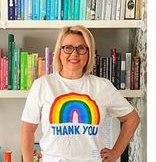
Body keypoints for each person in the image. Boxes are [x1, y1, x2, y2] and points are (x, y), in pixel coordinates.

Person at [21, 25, 140, 162]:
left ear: (89, 53)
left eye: (81, 48)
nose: (74, 54)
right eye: (68, 48)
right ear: (59, 52)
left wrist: (115, 153)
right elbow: (27, 129)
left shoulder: (102, 86)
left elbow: (132, 119)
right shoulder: (42, 85)